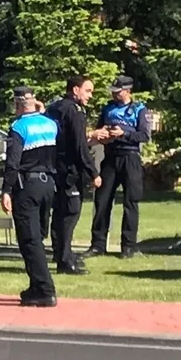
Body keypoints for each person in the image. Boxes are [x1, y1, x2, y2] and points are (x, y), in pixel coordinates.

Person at [0, 86, 59, 307]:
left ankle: (44, 289)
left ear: (17, 104)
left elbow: (13, 162)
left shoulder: (18, 127)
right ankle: (36, 285)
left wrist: (6, 190)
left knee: (29, 239)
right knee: (39, 236)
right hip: (48, 184)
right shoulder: (50, 124)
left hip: (28, 186)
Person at [84, 75, 151, 259]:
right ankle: (98, 245)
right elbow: (98, 130)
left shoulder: (139, 109)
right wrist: (103, 134)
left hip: (130, 158)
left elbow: (144, 135)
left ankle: (128, 246)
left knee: (131, 202)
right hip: (111, 157)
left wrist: (124, 134)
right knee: (102, 201)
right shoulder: (108, 108)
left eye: (118, 92)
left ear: (127, 91)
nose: (114, 95)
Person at [45, 75, 102, 275]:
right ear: (75, 90)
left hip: (53, 168)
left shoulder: (53, 108)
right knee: (70, 213)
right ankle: (65, 261)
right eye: (88, 91)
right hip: (69, 170)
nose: (90, 96)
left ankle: (62, 252)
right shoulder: (75, 111)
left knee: (60, 213)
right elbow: (79, 146)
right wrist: (93, 172)